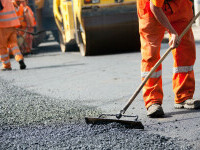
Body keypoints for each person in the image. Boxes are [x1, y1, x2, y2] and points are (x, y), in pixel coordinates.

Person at [137, 0, 200, 117]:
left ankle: (184, 96)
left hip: (179, 6)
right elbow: (155, 7)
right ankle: (153, 101)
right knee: (151, 53)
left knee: (186, 49)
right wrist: (172, 31)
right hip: (150, 8)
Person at [0, 0, 26, 71]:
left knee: (2, 47)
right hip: (12, 24)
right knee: (14, 44)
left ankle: (6, 65)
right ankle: (20, 58)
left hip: (2, 26)